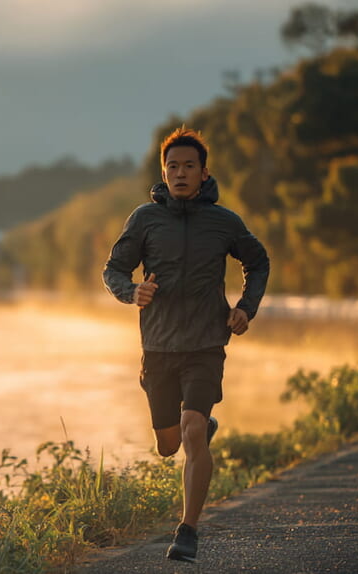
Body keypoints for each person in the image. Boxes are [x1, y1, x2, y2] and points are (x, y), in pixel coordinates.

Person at [103, 127, 269, 563]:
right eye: (172, 166)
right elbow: (113, 269)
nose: (180, 173)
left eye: (188, 166)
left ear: (203, 172)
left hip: (205, 345)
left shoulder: (224, 222)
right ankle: (198, 431)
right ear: (164, 171)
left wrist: (245, 308)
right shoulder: (144, 219)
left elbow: (258, 261)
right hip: (157, 347)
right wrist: (131, 291)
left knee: (193, 430)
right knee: (168, 445)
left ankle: (188, 530)